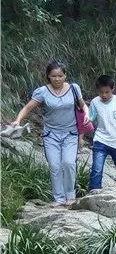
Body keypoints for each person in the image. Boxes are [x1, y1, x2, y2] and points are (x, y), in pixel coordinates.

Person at [10, 59, 88, 206]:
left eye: (60, 76)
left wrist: (87, 115)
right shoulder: (42, 92)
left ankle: (70, 196)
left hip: (70, 133)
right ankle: (58, 198)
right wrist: (17, 120)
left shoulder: (74, 88)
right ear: (48, 76)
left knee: (69, 163)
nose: (57, 79)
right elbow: (28, 108)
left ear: (65, 75)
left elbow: (83, 106)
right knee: (54, 165)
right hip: (51, 135)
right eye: (53, 76)